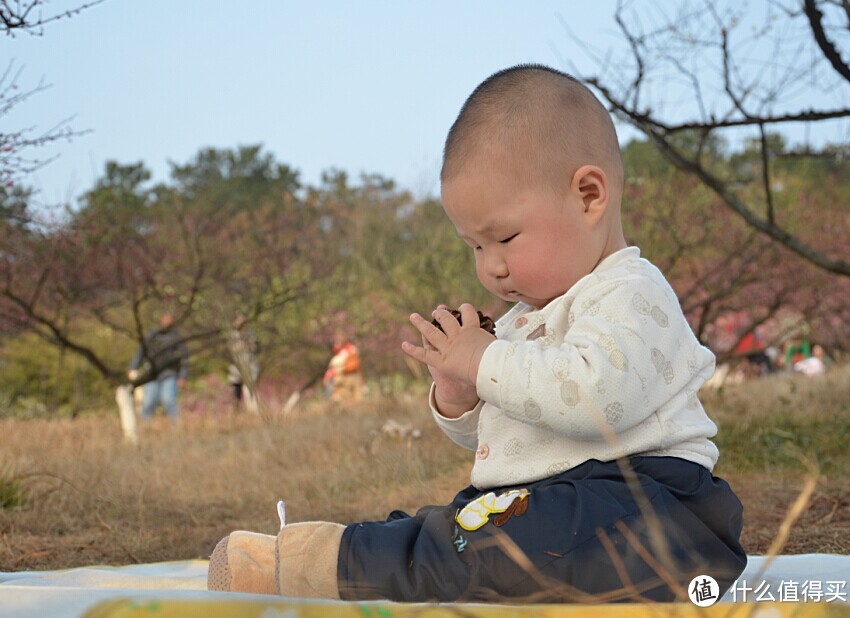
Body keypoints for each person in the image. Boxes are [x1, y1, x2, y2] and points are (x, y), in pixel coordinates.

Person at [207, 64, 746, 603]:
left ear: (588, 196)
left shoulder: (629, 292)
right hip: (554, 506)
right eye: (475, 247)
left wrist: (486, 361)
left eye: (504, 237)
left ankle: (337, 562)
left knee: (487, 542)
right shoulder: (521, 320)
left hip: (655, 509)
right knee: (475, 531)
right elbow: (517, 425)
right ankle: (351, 557)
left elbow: (591, 399)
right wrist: (462, 397)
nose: (492, 268)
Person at [128, 313, 189, 422]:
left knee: (169, 400)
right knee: (149, 402)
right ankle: (145, 426)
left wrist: (182, 376)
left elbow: (184, 357)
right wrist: (133, 367)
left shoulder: (176, 337)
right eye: (165, 318)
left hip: (169, 373)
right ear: (161, 319)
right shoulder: (151, 335)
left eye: (169, 318)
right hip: (152, 374)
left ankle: (177, 427)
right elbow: (141, 352)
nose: (167, 320)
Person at [227, 313, 260, 413]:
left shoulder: (250, 333)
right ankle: (236, 413)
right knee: (237, 393)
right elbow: (230, 349)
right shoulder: (232, 335)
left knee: (249, 391)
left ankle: (253, 412)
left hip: (249, 368)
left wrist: (248, 344)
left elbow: (256, 348)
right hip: (236, 369)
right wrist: (241, 345)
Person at [322, 332, 364, 403]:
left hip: (344, 380)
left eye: (337, 342)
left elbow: (354, 366)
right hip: (343, 381)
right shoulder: (349, 351)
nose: (335, 344)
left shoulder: (346, 353)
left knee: (344, 399)